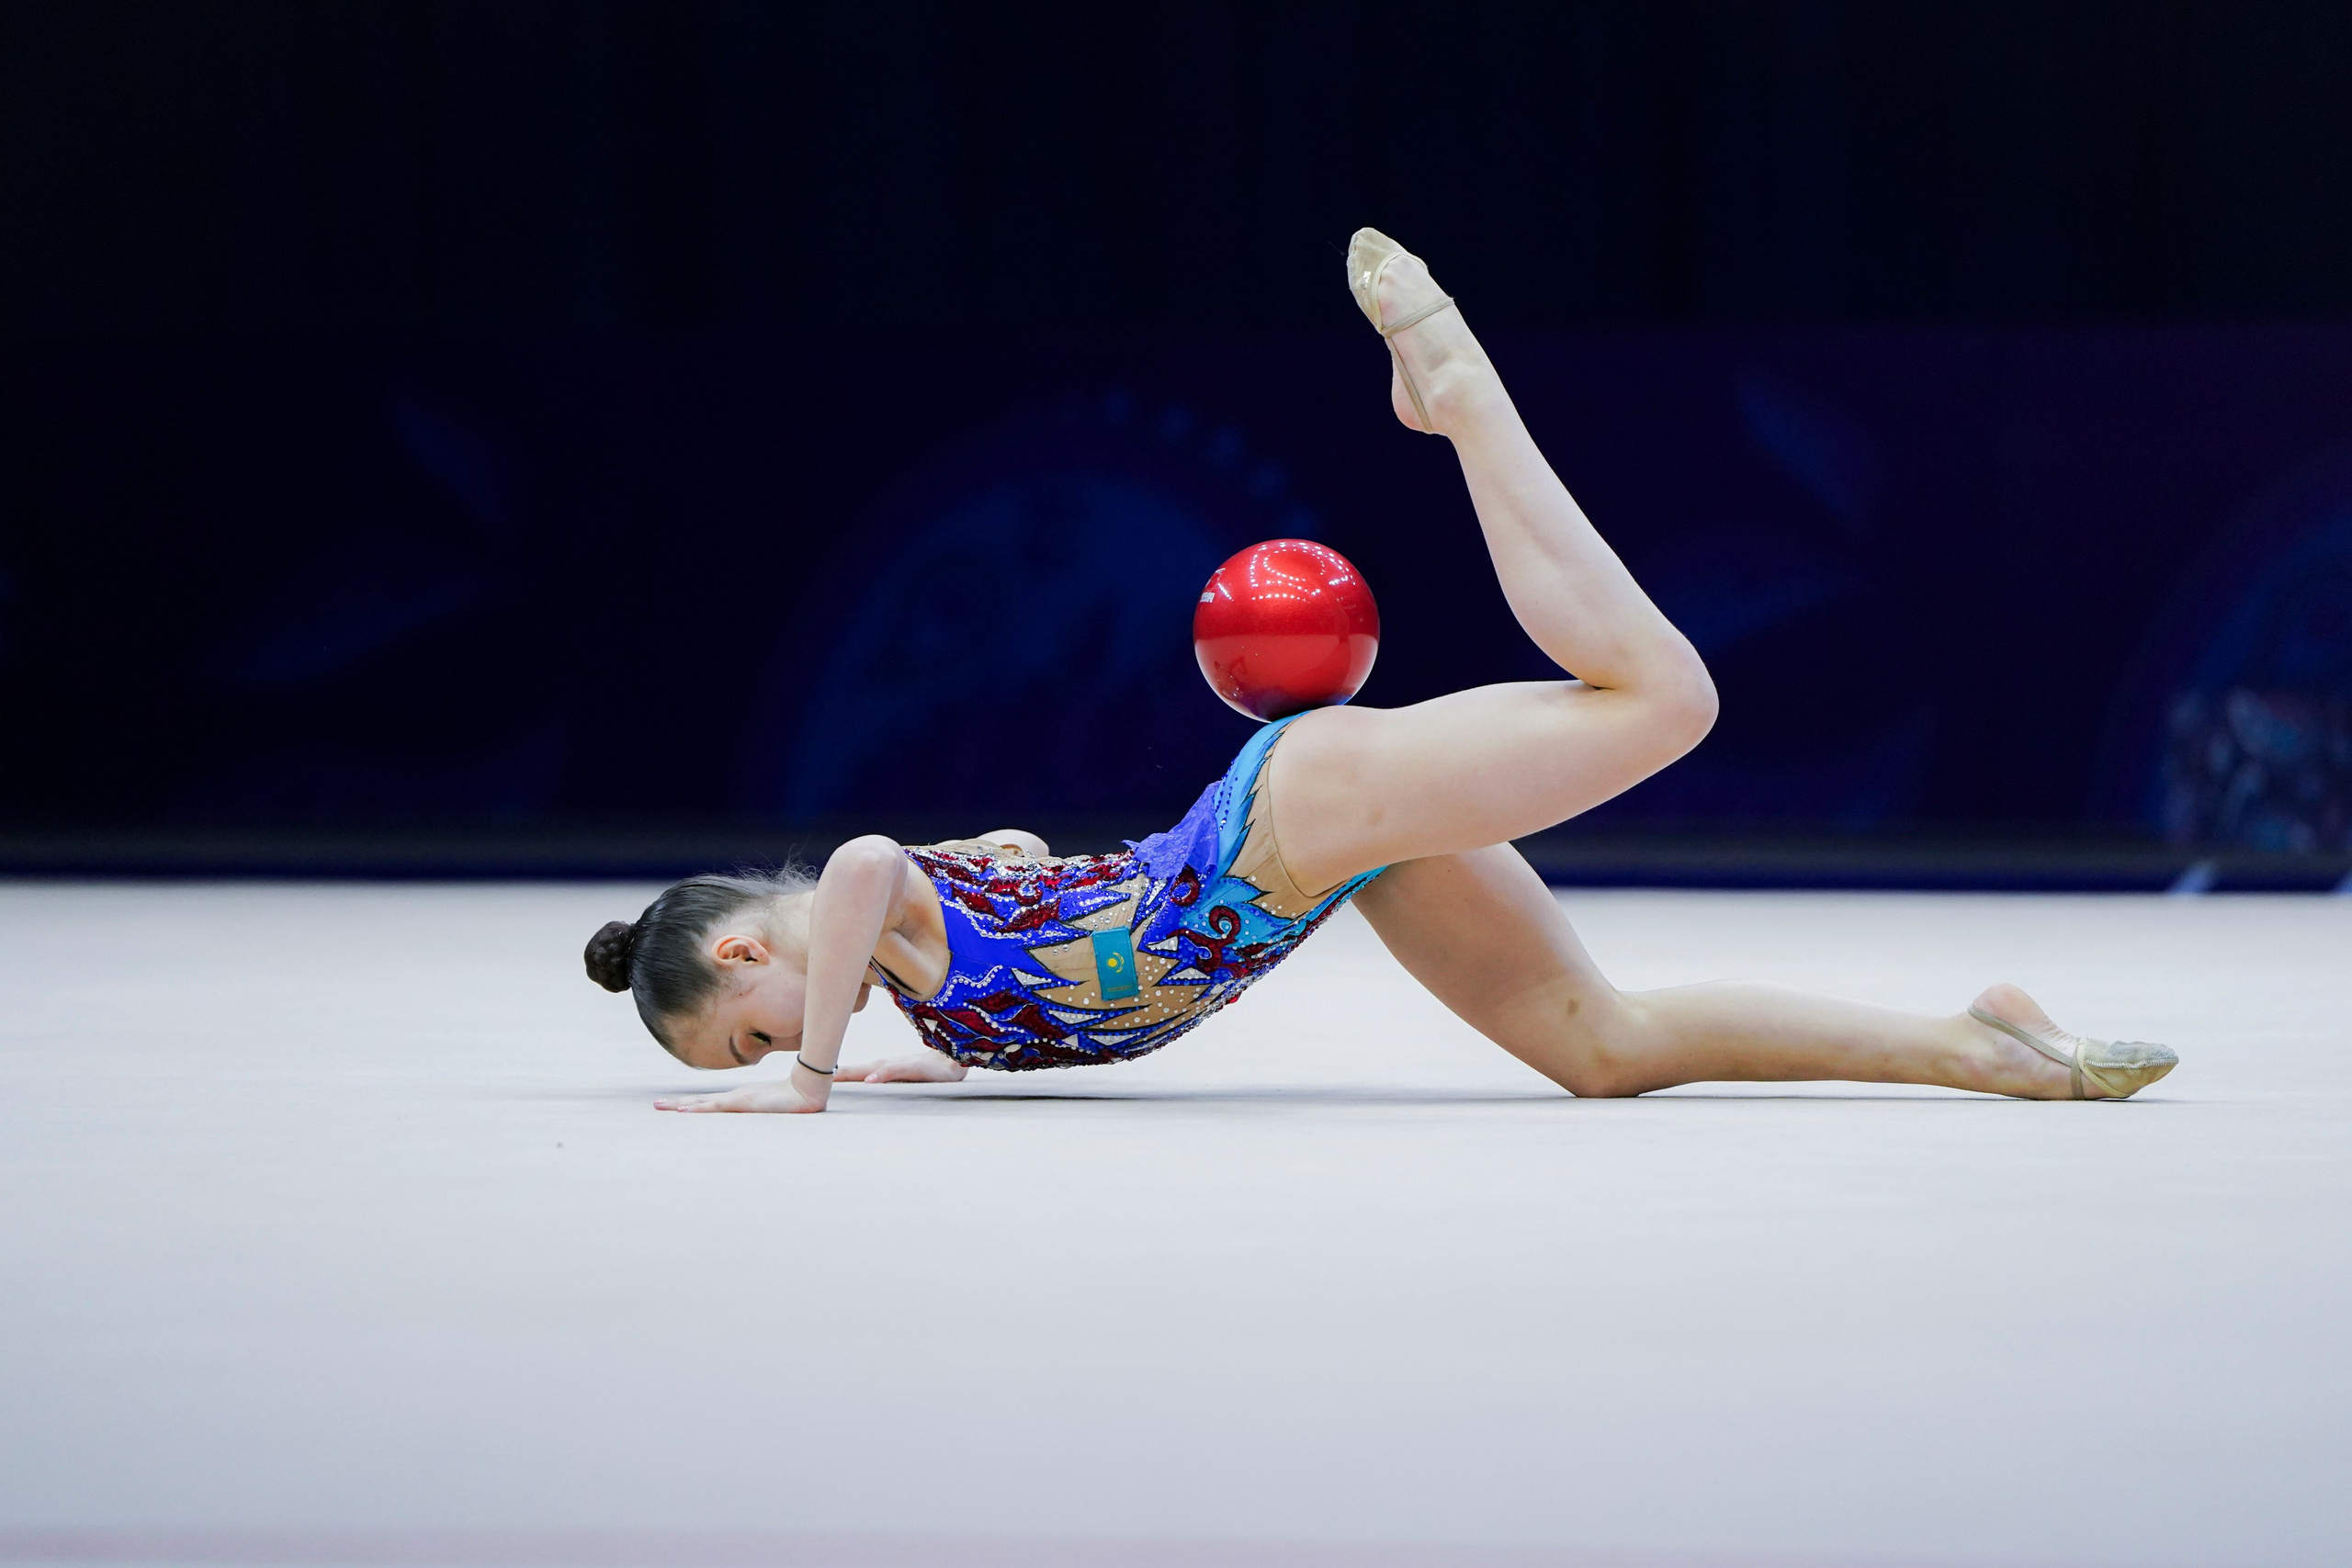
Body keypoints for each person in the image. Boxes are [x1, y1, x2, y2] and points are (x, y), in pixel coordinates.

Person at [583, 228, 2177, 1114]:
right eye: (760, 1063)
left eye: (746, 1032)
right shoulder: (925, 985)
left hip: (1293, 812)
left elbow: (859, 859)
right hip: (1321, 869)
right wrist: (901, 1020)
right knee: (1599, 1049)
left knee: (1674, 700)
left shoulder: (871, 910)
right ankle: (1981, 1046)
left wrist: (797, 1090)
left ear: (743, 959)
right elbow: (992, 880)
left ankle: (1464, 401)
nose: (796, 1054)